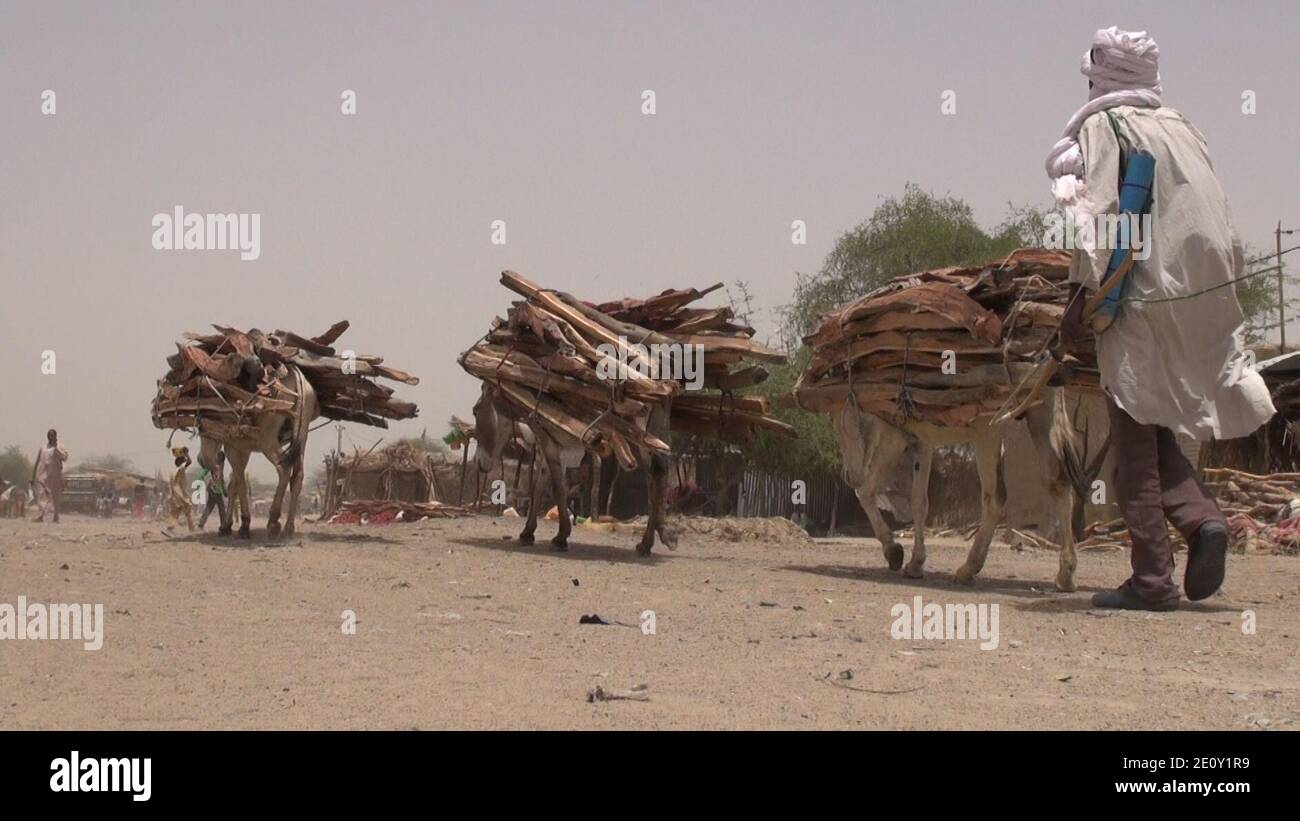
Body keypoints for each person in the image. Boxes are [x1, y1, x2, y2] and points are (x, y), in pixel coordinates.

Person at [1053, 28, 1275, 610]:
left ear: (1106, 76)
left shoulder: (1109, 128)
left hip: (1141, 300)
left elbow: (1098, 216)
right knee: (1155, 427)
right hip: (1198, 296)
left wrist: (1082, 298)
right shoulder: (1183, 128)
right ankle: (1204, 522)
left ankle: (1152, 579)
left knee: (1131, 447)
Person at [30, 429, 69, 523]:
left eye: (52, 436)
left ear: (56, 436)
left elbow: (65, 458)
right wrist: (33, 475)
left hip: (56, 475)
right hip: (43, 475)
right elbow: (37, 461)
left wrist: (56, 448)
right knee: (42, 495)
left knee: (56, 496)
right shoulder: (43, 448)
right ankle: (41, 516)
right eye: (49, 436)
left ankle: (56, 517)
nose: (51, 438)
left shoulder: (61, 447)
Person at [162, 446, 195, 535]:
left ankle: (170, 529)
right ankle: (193, 531)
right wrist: (186, 454)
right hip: (180, 495)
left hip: (173, 496)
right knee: (189, 509)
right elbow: (189, 462)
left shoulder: (173, 471)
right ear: (181, 462)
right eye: (183, 461)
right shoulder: (181, 469)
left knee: (174, 514)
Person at [196, 450, 229, 531]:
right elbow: (220, 479)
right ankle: (223, 524)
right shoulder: (216, 466)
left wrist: (201, 479)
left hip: (212, 489)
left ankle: (201, 524)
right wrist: (224, 490)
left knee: (209, 507)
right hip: (216, 490)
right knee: (221, 508)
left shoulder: (216, 466)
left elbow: (204, 473)